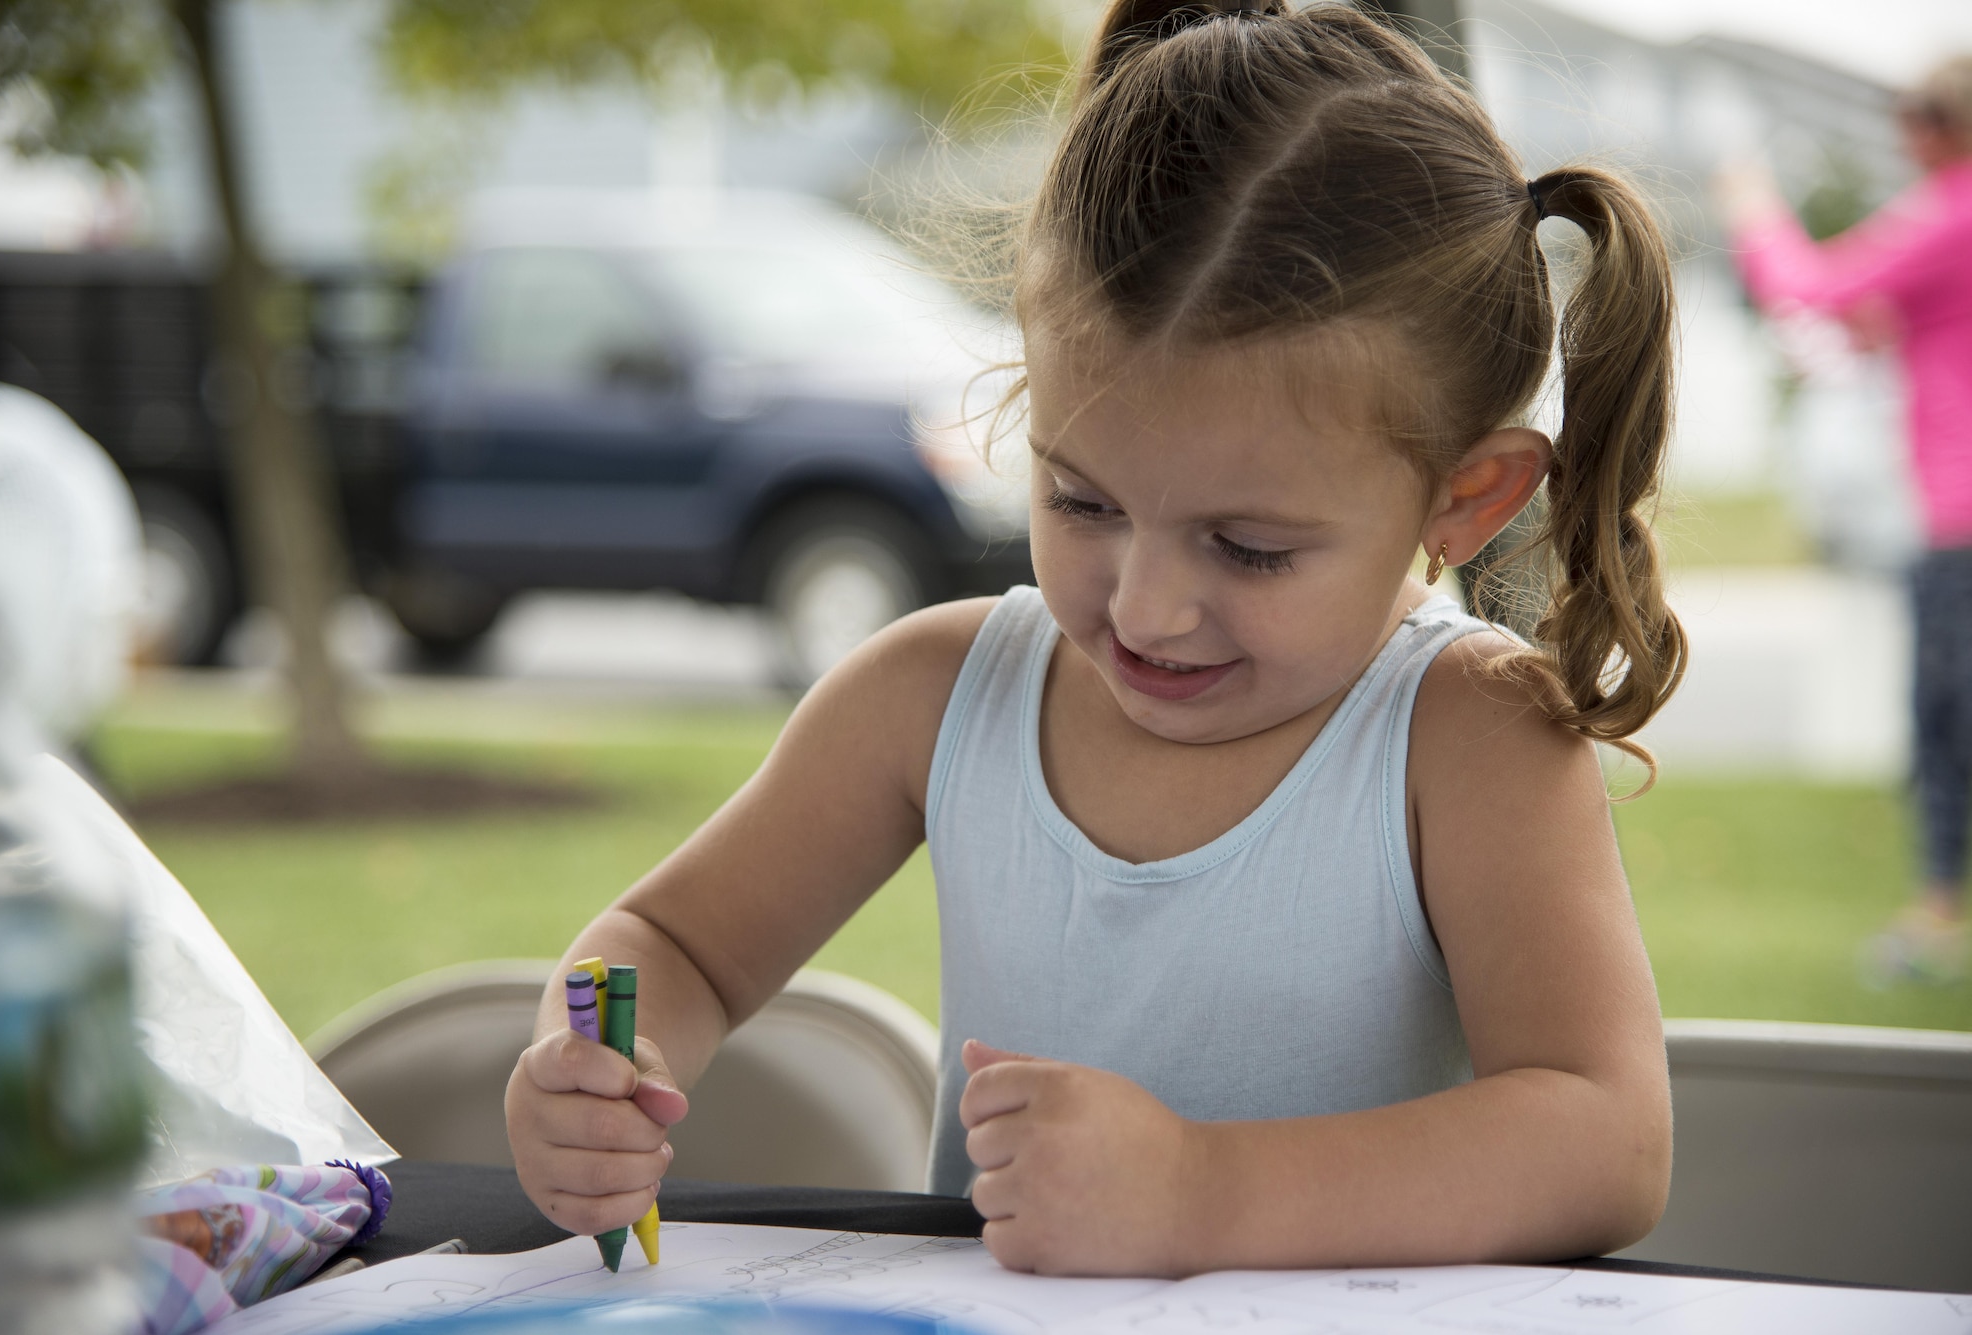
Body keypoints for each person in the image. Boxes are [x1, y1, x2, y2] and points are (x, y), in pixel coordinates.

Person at [504, 1, 1685, 1276]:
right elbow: (671, 943)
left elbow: (1603, 1140)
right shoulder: (930, 696)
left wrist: (1204, 1195)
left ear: (1465, 496)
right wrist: (590, 1060)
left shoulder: (1465, 738)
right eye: (1082, 503)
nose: (1142, 609)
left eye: (1248, 548)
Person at [1720, 57, 1972, 986]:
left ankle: (1936, 916)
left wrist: (1752, 208)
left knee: (1946, 723)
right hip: (1950, 520)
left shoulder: (1951, 211)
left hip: (1961, 526)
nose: (1910, 134)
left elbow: (1812, 291)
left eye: (1922, 115)